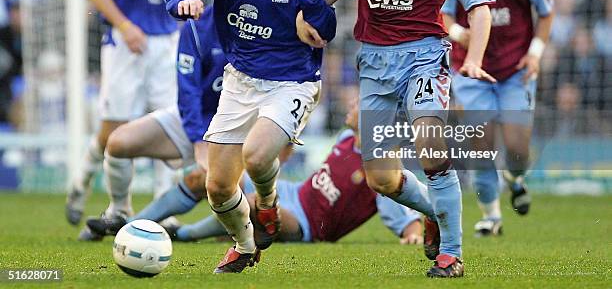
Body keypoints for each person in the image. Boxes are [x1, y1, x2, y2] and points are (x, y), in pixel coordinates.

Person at [297, 0, 497, 278]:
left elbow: (479, 9)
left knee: (430, 144)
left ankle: (452, 255)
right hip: (373, 61)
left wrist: (474, 59)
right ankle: (433, 213)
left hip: (424, 57)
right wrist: (312, 2)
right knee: (382, 180)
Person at [165, 0, 337, 273]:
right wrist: (185, 3)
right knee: (218, 186)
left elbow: (324, 30)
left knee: (257, 156)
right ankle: (244, 247)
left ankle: (268, 201)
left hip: (292, 80)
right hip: (240, 80)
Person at [86, 101, 424, 246]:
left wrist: (411, 230)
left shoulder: (382, 164)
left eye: (358, 104)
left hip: (305, 222)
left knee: (250, 202)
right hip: (293, 191)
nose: (351, 106)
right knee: (207, 174)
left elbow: (397, 200)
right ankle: (130, 225)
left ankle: (181, 235)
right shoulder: (349, 137)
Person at [65, 0, 192, 240]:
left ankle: (162, 216)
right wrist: (125, 25)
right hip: (124, 46)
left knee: (168, 131)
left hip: (167, 48)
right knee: (113, 134)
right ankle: (84, 182)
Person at [441, 0, 554, 237]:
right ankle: (491, 216)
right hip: (471, 70)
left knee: (518, 150)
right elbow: (442, 15)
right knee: (482, 144)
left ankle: (515, 177)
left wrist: (534, 54)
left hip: (515, 71)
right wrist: (461, 34)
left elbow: (546, 14)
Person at [85, 6, 226, 236]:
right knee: (119, 142)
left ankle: (174, 232)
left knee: (225, 188)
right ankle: (119, 212)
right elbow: (188, 91)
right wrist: (199, 141)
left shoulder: (265, 25)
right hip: (198, 121)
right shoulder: (198, 26)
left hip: (236, 130)